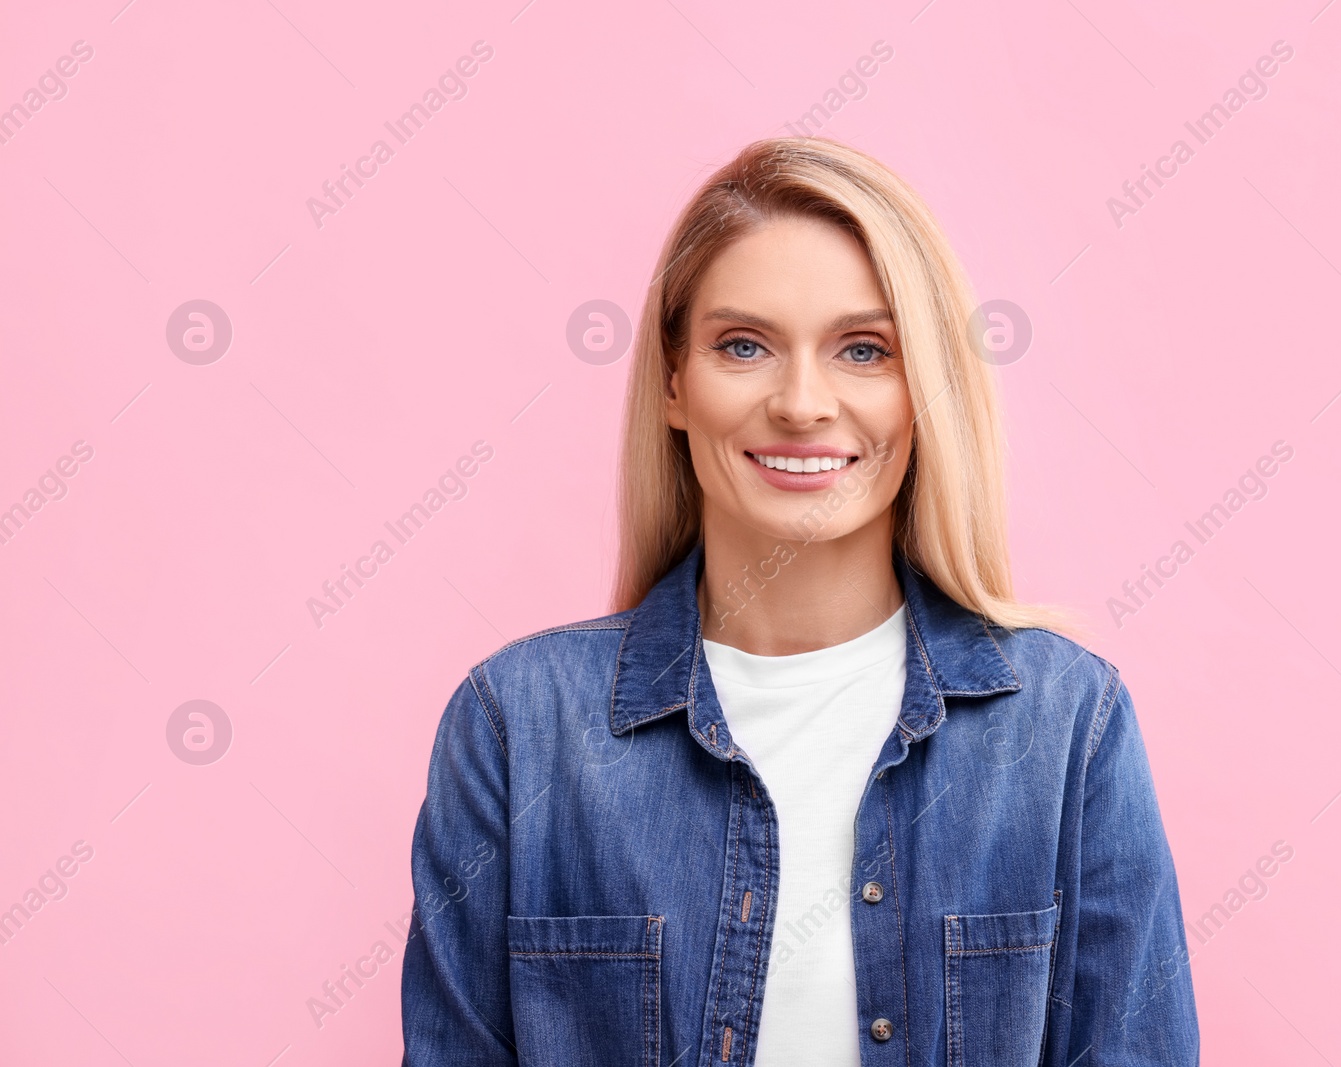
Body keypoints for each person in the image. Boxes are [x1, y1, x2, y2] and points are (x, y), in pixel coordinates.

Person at [400, 137, 1199, 1065]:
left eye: (864, 350)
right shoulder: (518, 724)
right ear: (673, 382)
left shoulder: (1068, 725)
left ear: (922, 389)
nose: (802, 402)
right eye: (745, 345)